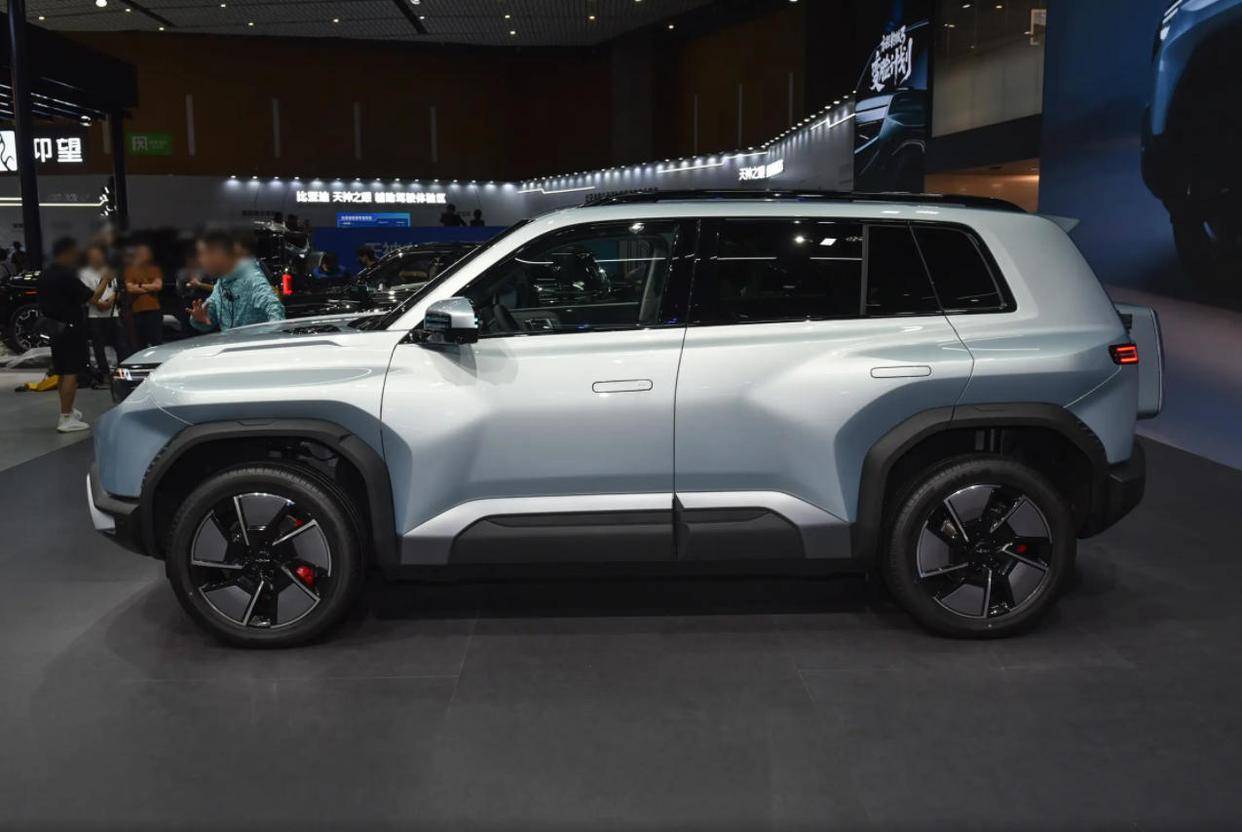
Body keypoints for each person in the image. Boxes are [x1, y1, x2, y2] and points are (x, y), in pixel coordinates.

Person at [38, 237, 109, 432]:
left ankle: (67, 409)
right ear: (67, 253)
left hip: (55, 328)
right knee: (71, 372)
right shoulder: (66, 276)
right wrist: (106, 279)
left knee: (62, 371)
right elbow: (92, 297)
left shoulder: (45, 274)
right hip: (70, 329)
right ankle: (66, 417)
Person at [189, 230, 285, 332]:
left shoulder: (251, 277)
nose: (201, 260)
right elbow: (209, 317)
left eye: (204, 254)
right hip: (231, 341)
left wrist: (271, 336)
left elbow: (274, 307)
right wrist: (199, 318)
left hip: (252, 342)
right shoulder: (221, 283)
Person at [79, 243, 119, 387]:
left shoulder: (110, 270)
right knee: (98, 347)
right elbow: (87, 295)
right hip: (95, 315)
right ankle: (105, 374)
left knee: (120, 344)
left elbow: (117, 289)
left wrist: (110, 301)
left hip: (113, 313)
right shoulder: (84, 273)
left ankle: (120, 372)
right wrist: (99, 303)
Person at [125, 242, 164, 349]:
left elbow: (158, 286)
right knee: (140, 343)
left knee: (156, 341)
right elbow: (130, 288)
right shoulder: (130, 270)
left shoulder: (154, 269)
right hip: (137, 310)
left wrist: (139, 285)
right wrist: (149, 286)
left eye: (145, 252)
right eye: (141, 253)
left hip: (154, 309)